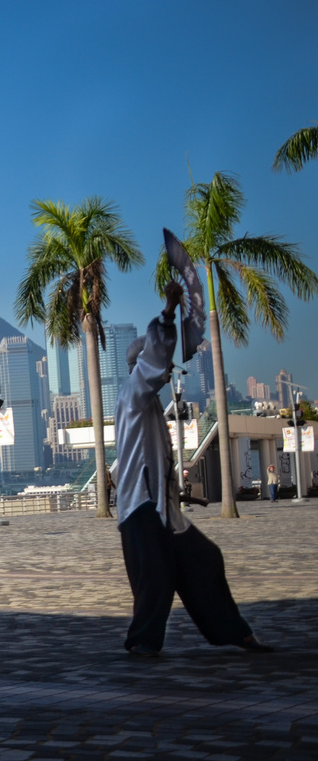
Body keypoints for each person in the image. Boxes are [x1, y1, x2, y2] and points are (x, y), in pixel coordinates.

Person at [116, 281, 271, 656]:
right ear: (144, 365)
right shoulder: (135, 394)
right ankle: (142, 643)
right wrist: (168, 311)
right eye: (163, 364)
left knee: (204, 559)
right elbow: (152, 362)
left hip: (161, 509)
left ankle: (236, 632)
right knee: (156, 577)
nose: (168, 372)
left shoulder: (148, 403)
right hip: (141, 507)